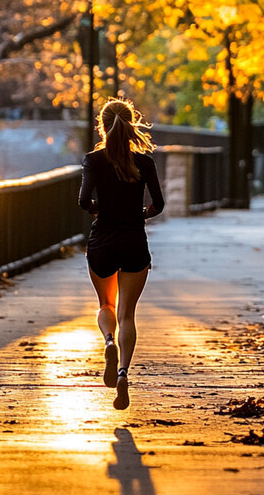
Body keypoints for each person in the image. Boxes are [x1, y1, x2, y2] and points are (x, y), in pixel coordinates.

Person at [78, 98, 165, 410]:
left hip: (102, 240)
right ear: (132, 125)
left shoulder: (93, 160)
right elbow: (159, 205)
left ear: (102, 126)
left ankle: (109, 342)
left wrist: (102, 210)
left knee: (106, 305)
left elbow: (83, 201)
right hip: (133, 242)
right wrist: (140, 213)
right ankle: (124, 372)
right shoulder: (144, 163)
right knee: (128, 313)